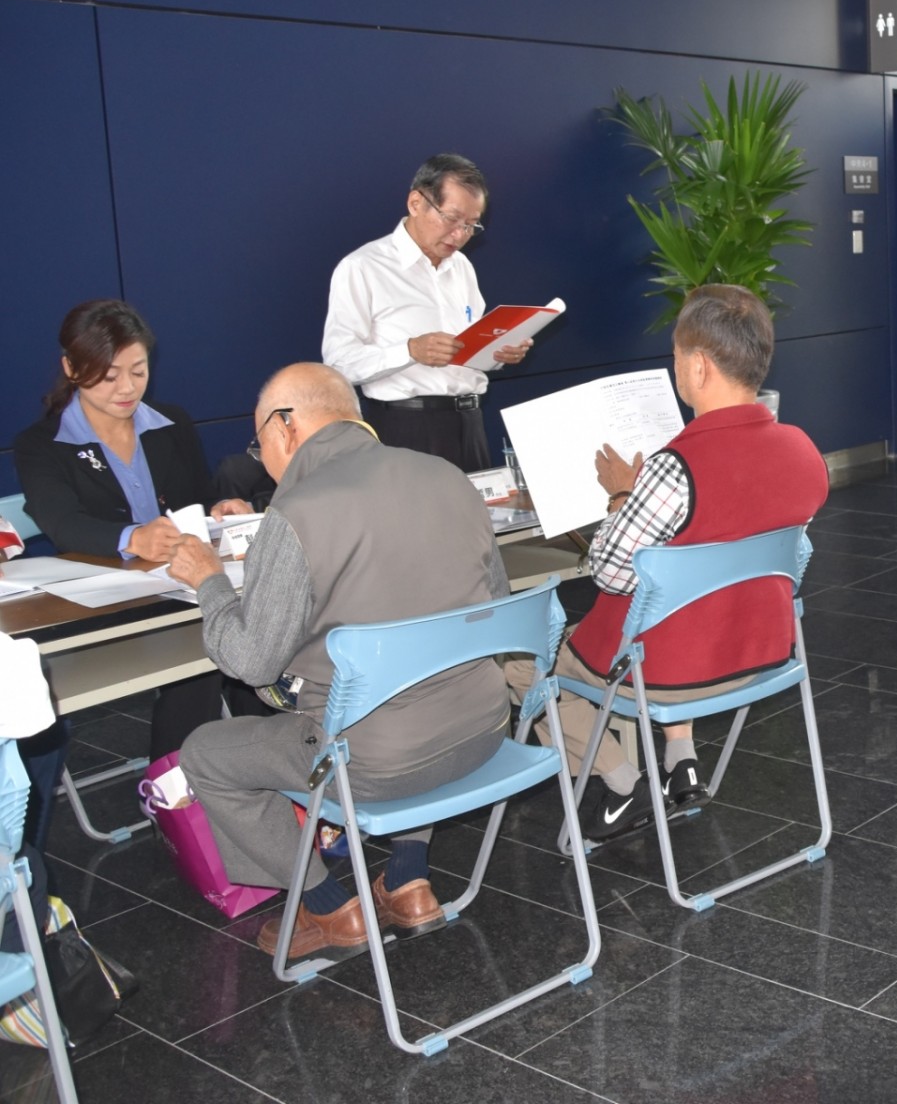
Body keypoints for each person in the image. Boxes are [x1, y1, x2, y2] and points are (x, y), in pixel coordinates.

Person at [166, 364, 513, 963]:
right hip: (483, 729)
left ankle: (327, 906)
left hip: (375, 762)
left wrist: (210, 582)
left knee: (205, 754)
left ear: (285, 427)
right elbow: (497, 609)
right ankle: (408, 878)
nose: (262, 460)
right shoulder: (447, 476)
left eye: (259, 443)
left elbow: (250, 661)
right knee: (417, 691)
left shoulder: (296, 512)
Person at [504, 285, 828, 843]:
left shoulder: (674, 468)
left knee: (520, 663)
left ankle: (623, 782)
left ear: (699, 366)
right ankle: (682, 758)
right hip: (761, 653)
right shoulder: (802, 448)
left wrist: (620, 497)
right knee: (687, 611)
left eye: (675, 356)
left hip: (672, 673)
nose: (675, 366)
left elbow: (609, 574)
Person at [12, 299, 260, 759]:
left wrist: (219, 509)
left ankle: (233, 766)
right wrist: (133, 537)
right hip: (110, 601)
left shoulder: (171, 423)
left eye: (138, 371)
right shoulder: (41, 445)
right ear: (72, 368)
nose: (127, 388)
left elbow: (196, 498)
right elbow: (64, 525)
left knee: (227, 647)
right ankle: (182, 781)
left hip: (182, 590)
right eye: (109, 376)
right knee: (212, 654)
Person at [320, 153, 532, 471]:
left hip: (470, 423)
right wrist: (410, 350)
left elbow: (467, 351)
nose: (460, 235)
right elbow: (338, 364)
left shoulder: (462, 268)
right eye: (452, 219)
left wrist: (499, 353)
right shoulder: (363, 267)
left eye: (471, 225)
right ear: (416, 203)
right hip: (406, 428)